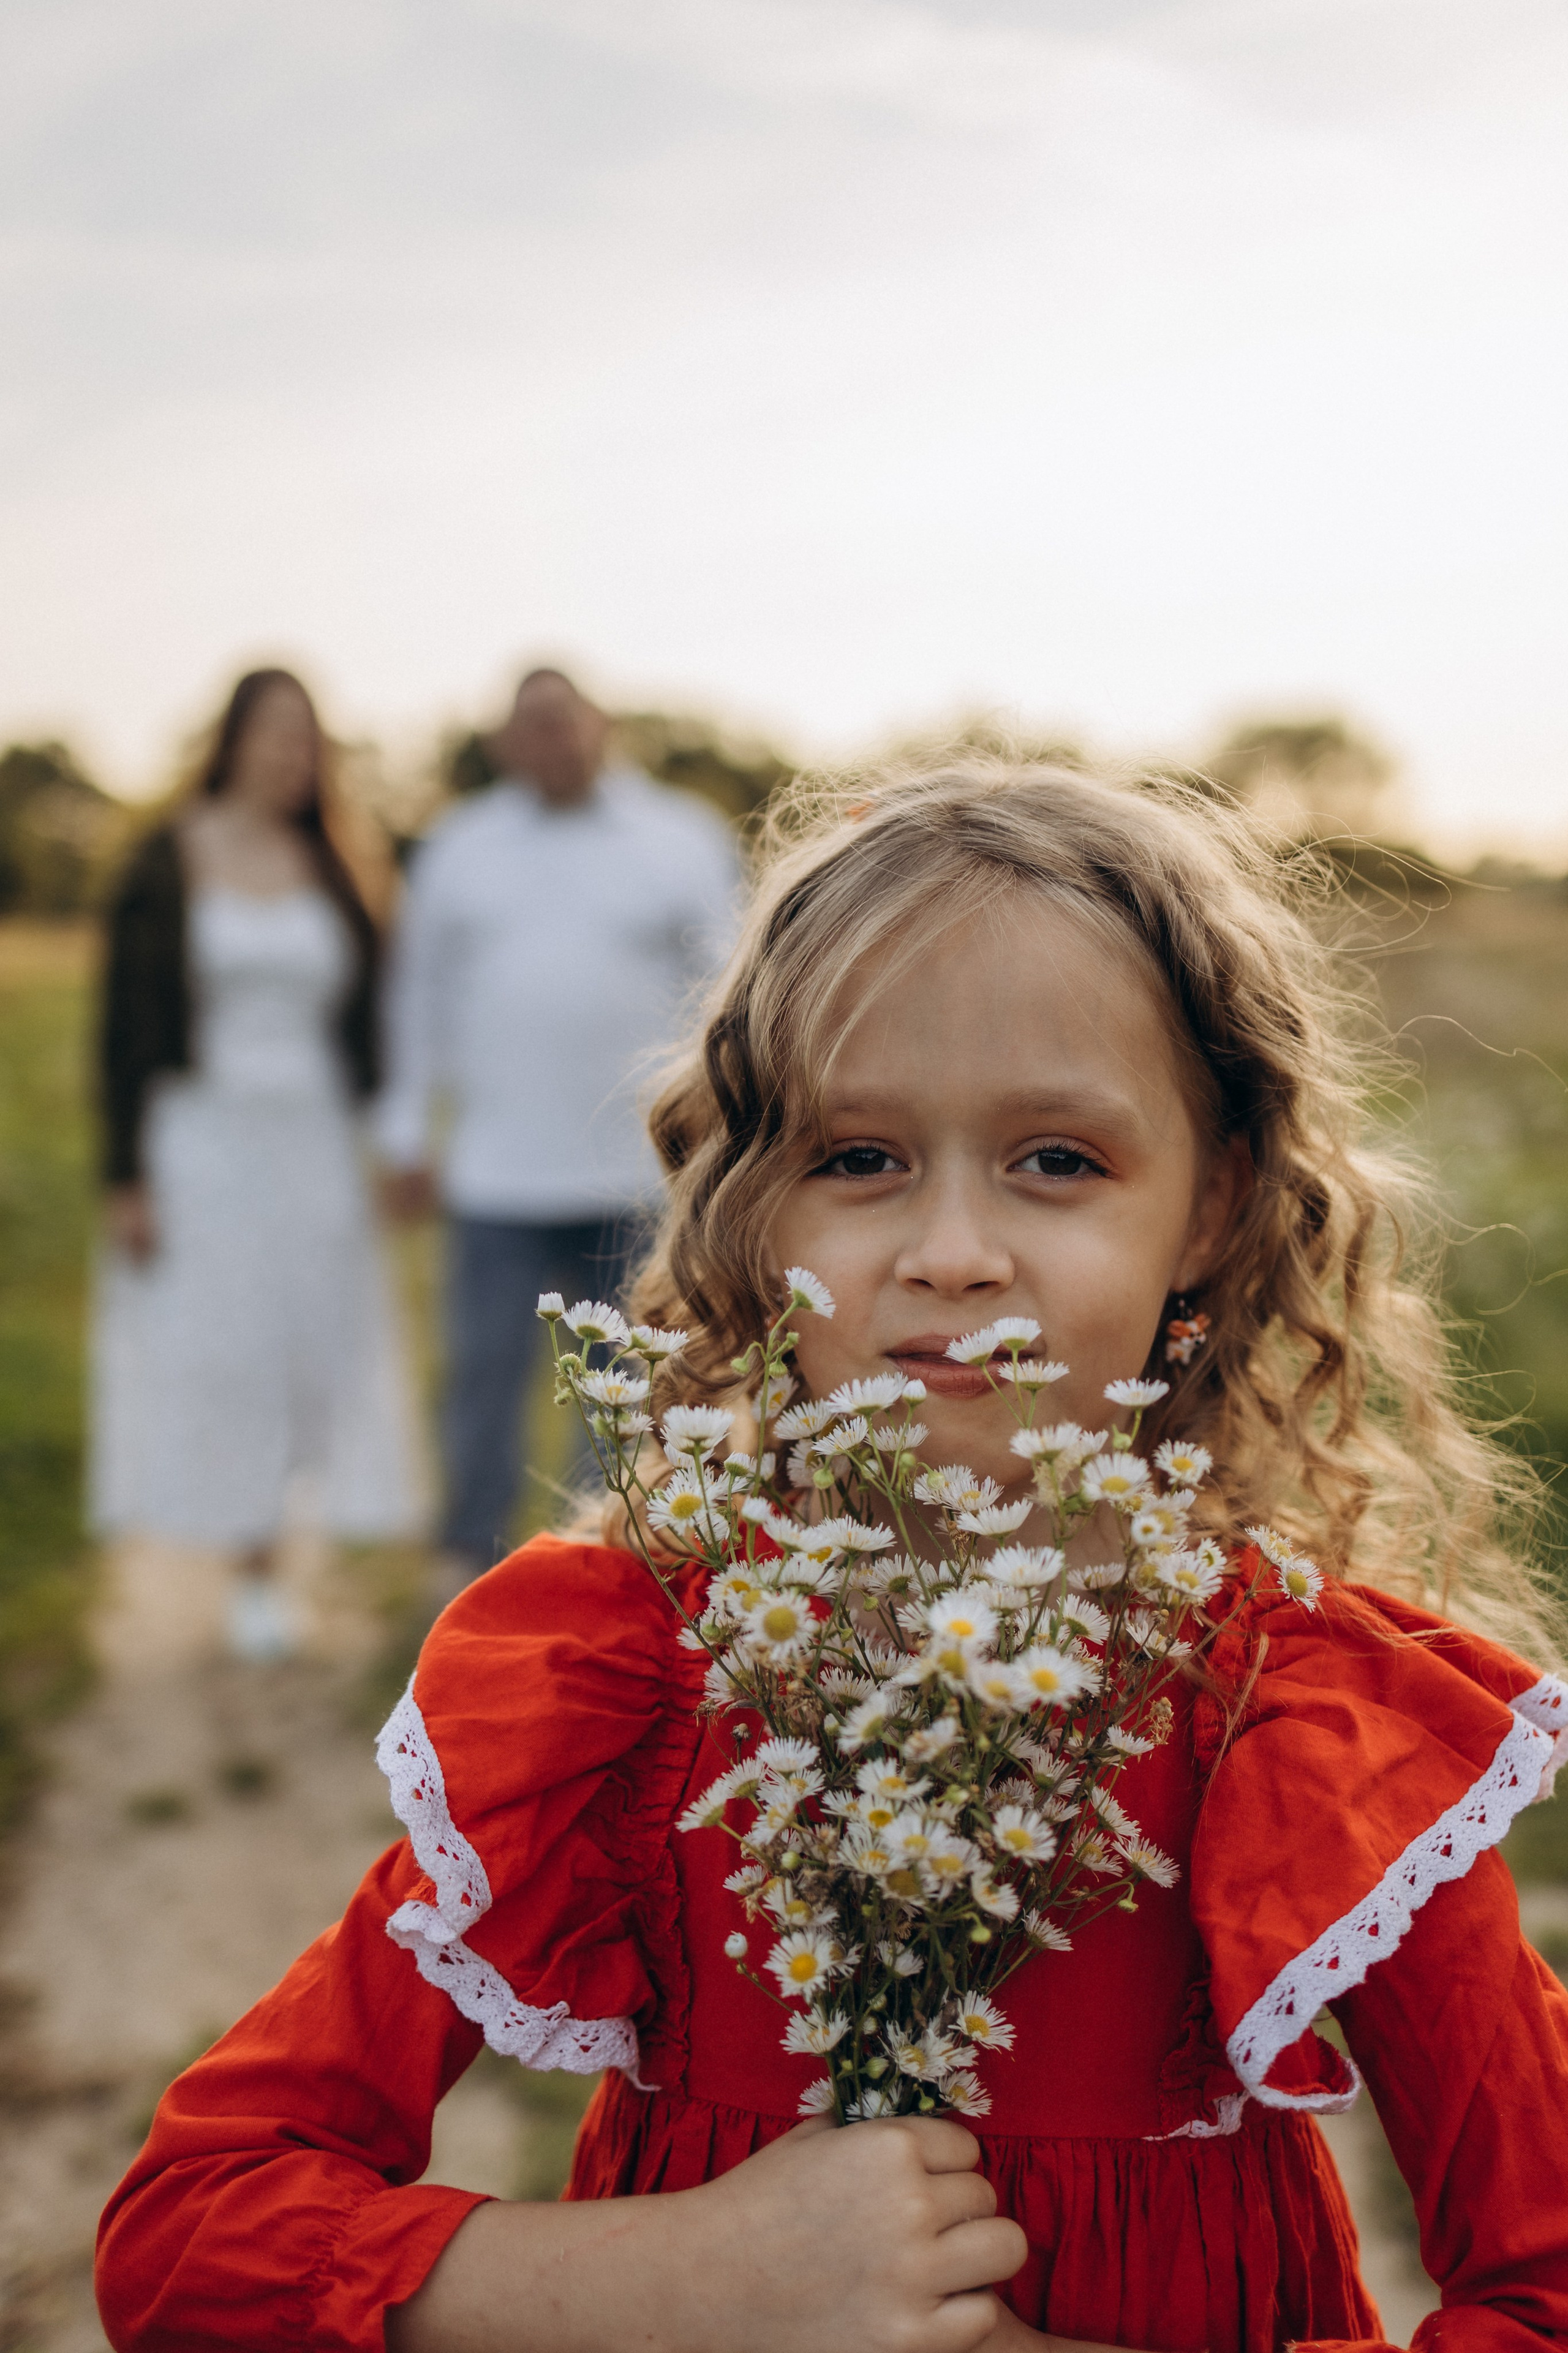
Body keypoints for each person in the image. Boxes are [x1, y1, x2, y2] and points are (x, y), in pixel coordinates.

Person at [97, 757, 1568, 2351]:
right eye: (858, 1158)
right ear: (755, 1208)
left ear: (1214, 1204)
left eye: (1058, 1160)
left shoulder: (1309, 1719)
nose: (949, 1252)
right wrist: (689, 2281)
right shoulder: (640, 1675)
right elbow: (189, 2238)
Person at [374, 665, 738, 1588]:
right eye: (532, 727)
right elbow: (417, 999)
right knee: (483, 1372)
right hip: (497, 1169)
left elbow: (734, 992)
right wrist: (407, 1131)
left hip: (639, 1174)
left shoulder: (680, 838)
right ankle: (466, 1547)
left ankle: (603, 1556)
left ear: (600, 722)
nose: (554, 741)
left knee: (630, 1384)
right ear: (505, 742)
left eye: (566, 722)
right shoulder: (459, 847)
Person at [91, 667, 426, 1660]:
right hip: (200, 1137)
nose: (295, 755)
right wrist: (126, 1176)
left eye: (310, 738)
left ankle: (289, 1530)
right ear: (233, 736)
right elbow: (122, 1029)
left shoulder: (336, 864)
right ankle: (248, 1563)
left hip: (316, 1140)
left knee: (313, 1345)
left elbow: (374, 1029)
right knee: (227, 1349)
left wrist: (390, 1144)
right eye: (279, 733)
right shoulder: (164, 860)